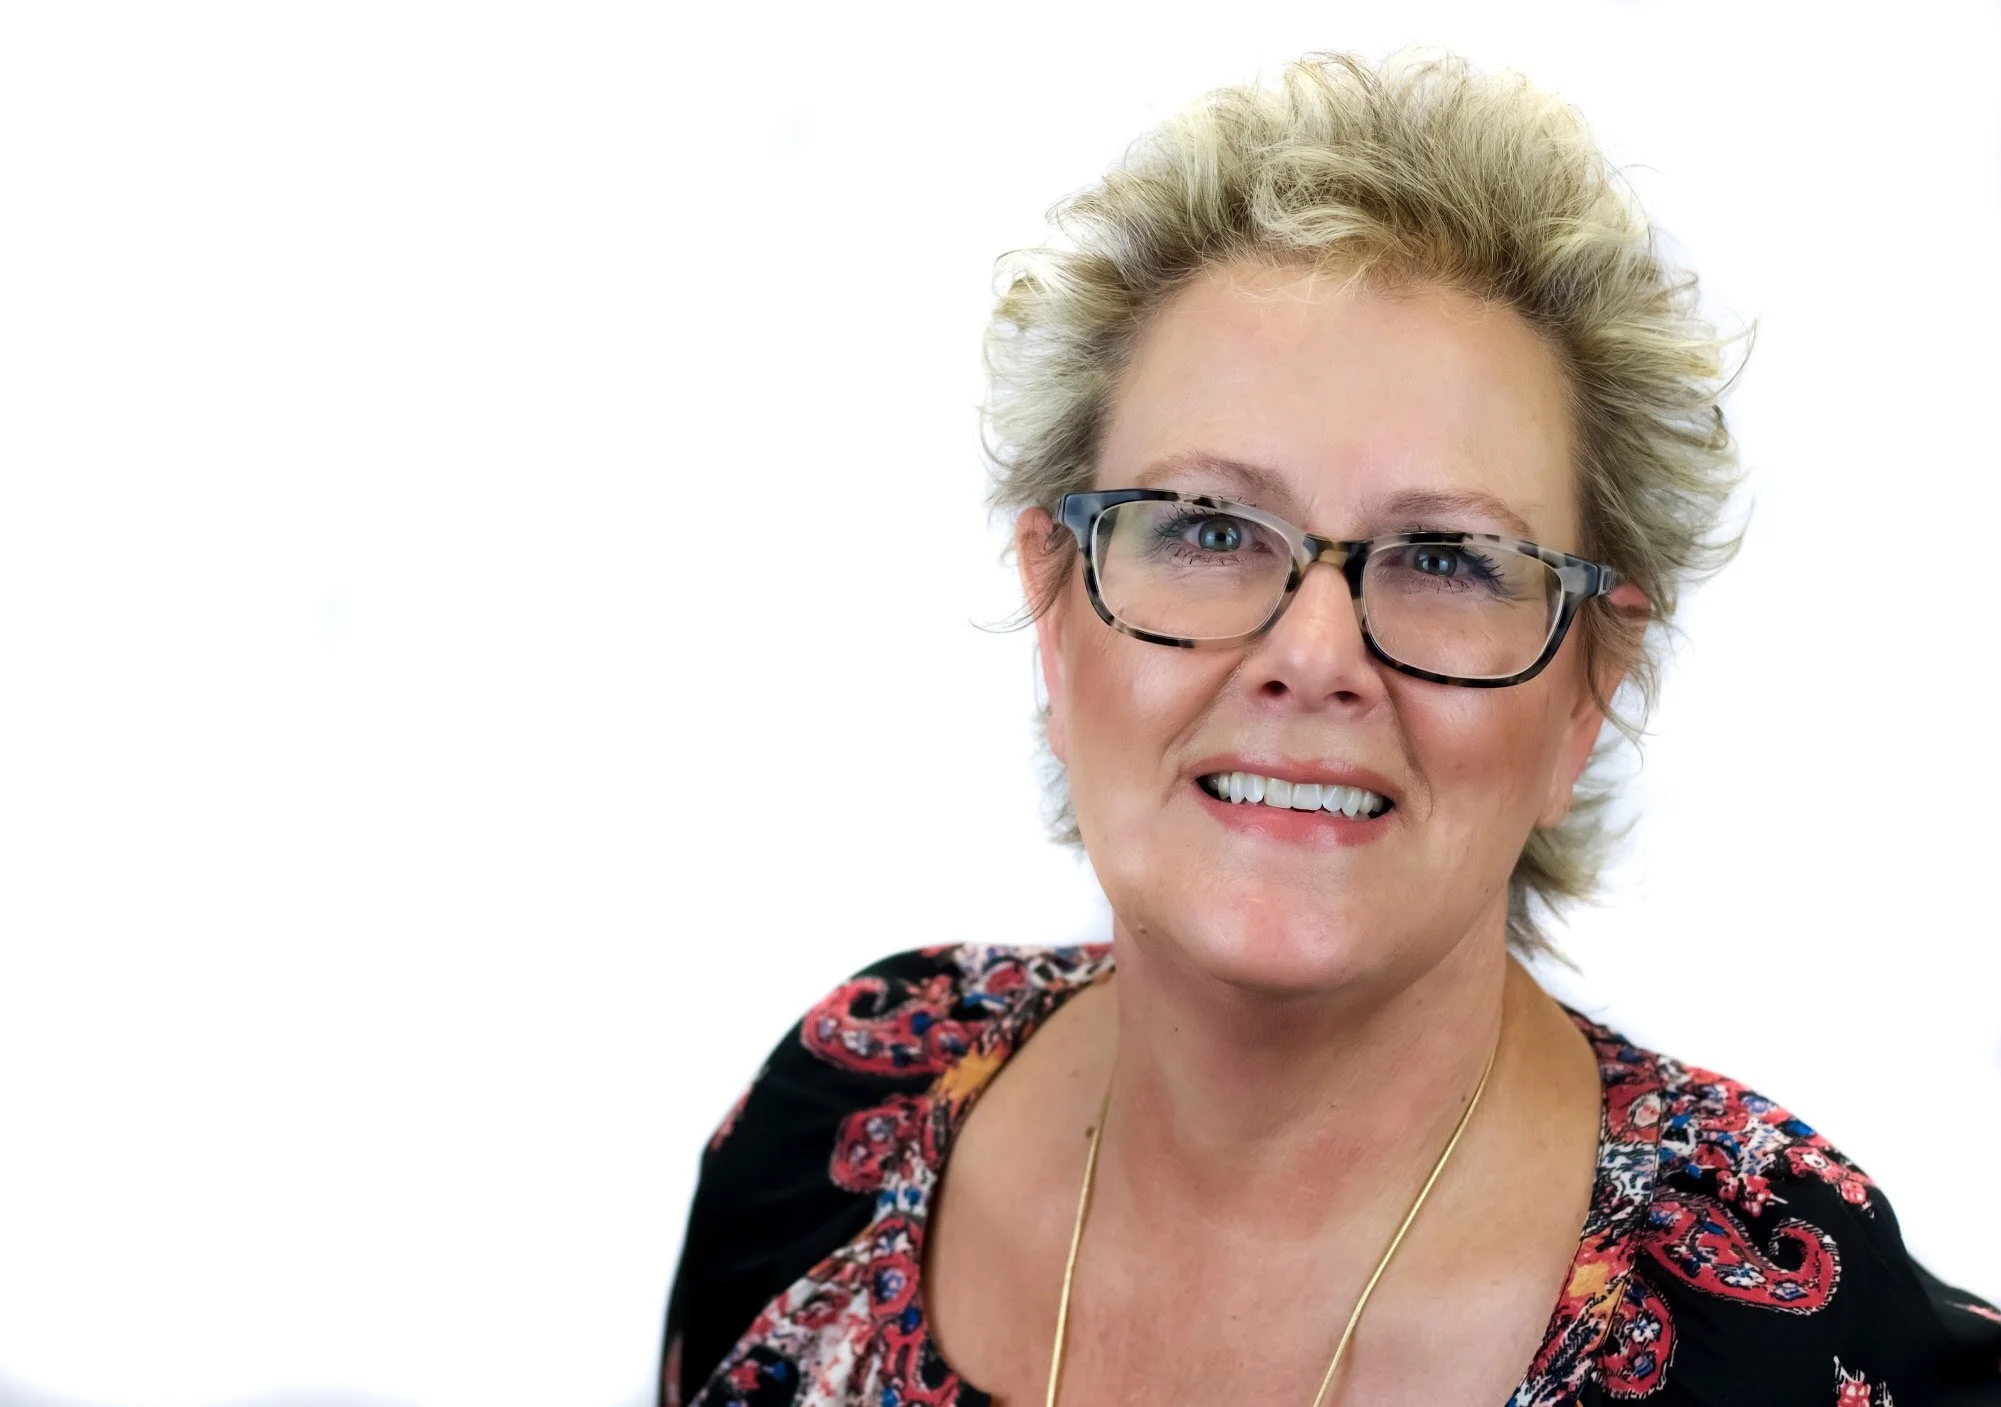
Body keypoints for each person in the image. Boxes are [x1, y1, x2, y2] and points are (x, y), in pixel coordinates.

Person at [659, 51, 2001, 1406]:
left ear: (1589, 686)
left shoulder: (1814, 1349)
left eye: (1448, 559)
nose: (1312, 656)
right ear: (1057, 616)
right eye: (1208, 530)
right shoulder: (831, 1125)